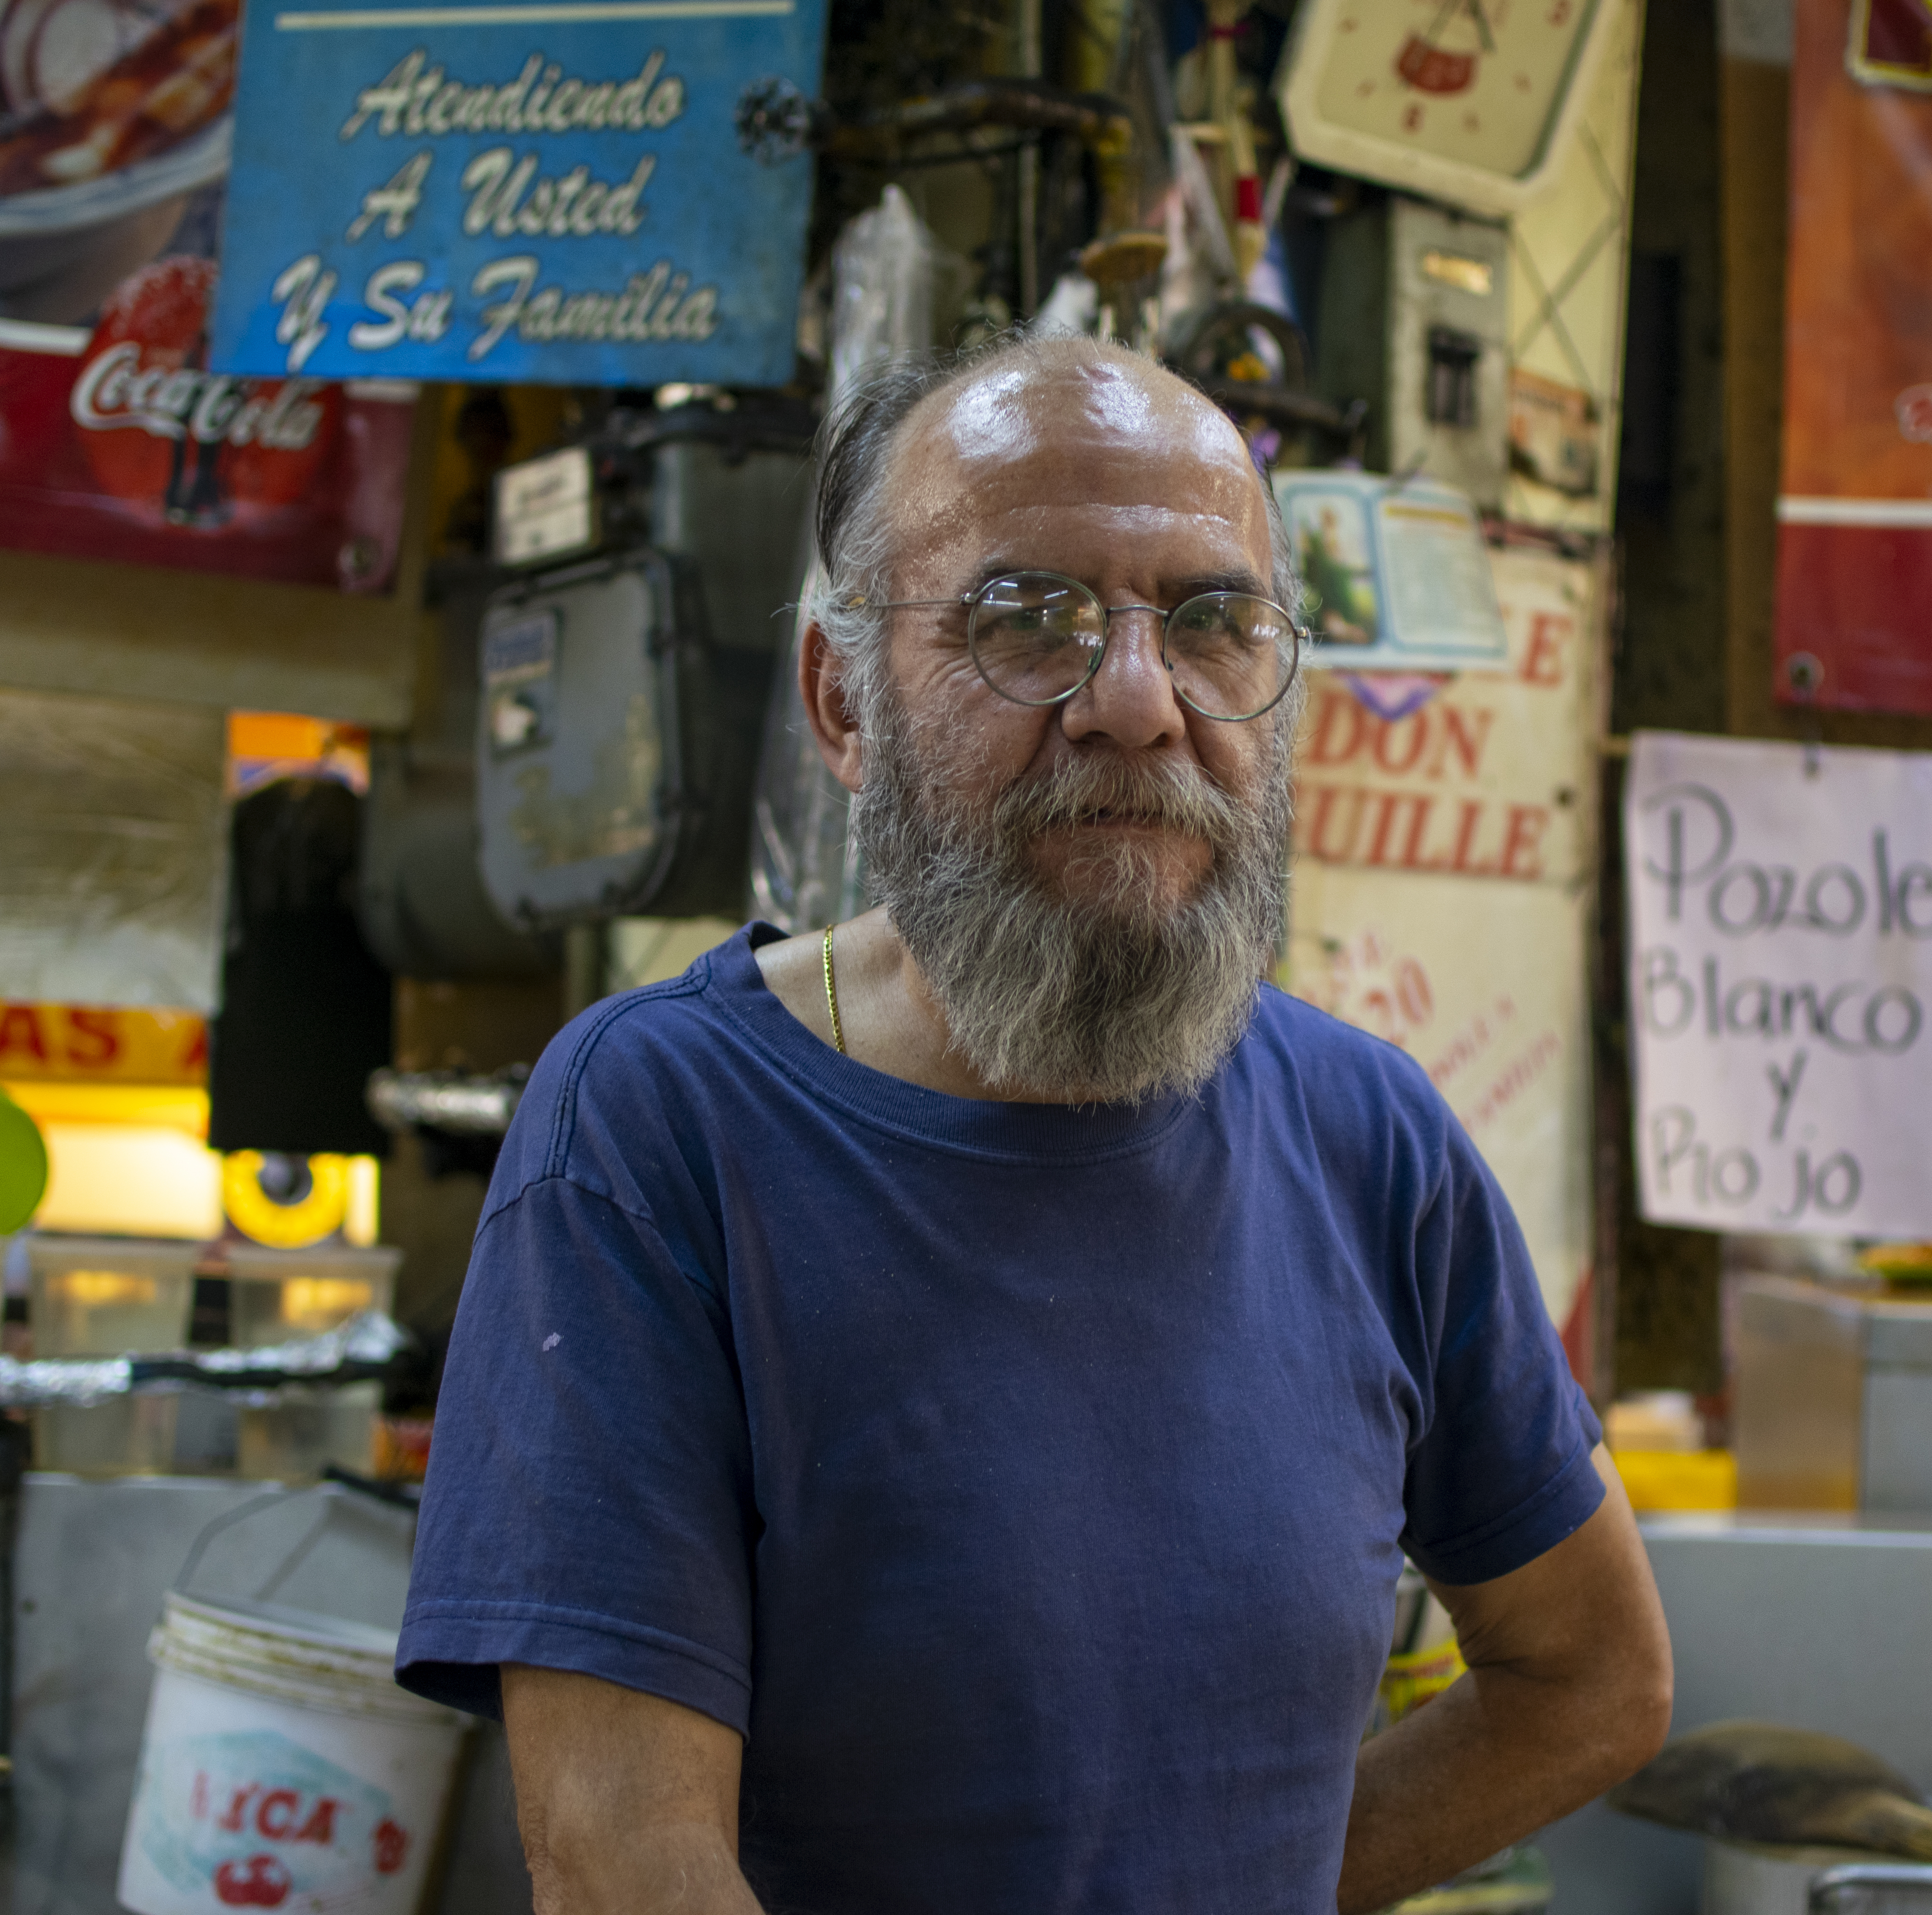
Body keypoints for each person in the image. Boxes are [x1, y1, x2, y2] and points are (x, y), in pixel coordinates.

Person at [393, 335, 1674, 1914]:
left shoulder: (1369, 1137)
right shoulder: (657, 1129)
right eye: (1024, 618)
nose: (1136, 703)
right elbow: (623, 1863)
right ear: (843, 703)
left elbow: (1592, 1682)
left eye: (1212, 623)